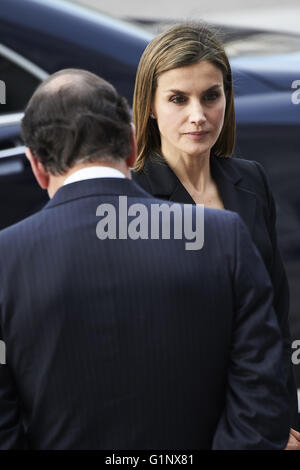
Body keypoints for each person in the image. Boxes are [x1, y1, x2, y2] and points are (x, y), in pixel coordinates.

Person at [0, 69, 291, 450]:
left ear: (36, 165)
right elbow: (262, 399)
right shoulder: (223, 238)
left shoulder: (7, 260)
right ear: (133, 145)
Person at [132, 23, 299, 434]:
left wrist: (278, 422)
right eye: (178, 99)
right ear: (150, 106)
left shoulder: (251, 180)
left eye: (211, 96)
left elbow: (275, 316)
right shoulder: (130, 196)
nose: (199, 116)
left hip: (259, 415)